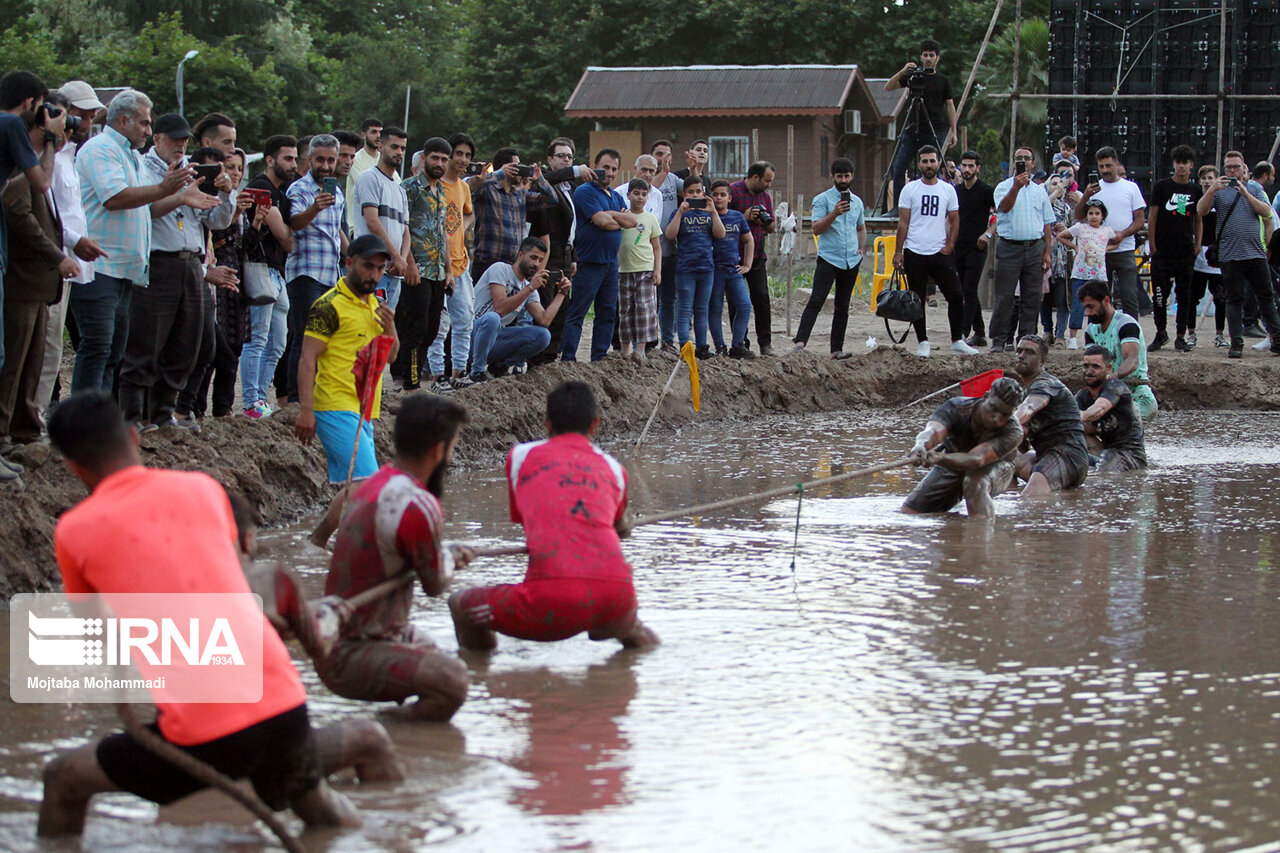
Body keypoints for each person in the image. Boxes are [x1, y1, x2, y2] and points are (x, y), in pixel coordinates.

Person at [37, 390, 402, 840]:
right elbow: (228, 583)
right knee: (317, 808)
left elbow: (97, 641)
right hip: (286, 706)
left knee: (62, 776)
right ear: (134, 437)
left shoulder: (73, 531)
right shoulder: (204, 489)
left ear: (72, 467)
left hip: (204, 734)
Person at [450, 380, 659, 651]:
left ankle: (483, 676)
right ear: (595, 425)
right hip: (617, 593)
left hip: (553, 600)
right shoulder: (615, 468)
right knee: (626, 624)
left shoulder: (520, 456)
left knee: (459, 605)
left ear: (547, 423)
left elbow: (532, 520)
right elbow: (620, 530)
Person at [315, 393, 472, 720]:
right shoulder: (416, 504)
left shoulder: (373, 484)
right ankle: (382, 735)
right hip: (353, 653)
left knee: (438, 654)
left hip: (337, 640)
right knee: (453, 681)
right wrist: (450, 558)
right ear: (438, 451)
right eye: (453, 447)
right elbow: (434, 584)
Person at [117, 113, 235, 431]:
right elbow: (143, 212)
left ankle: (164, 412)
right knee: (145, 343)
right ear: (157, 139)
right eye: (174, 138)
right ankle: (132, 416)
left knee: (187, 343)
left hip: (191, 262)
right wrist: (177, 194)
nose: (180, 145)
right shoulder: (141, 167)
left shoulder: (191, 170)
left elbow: (219, 221)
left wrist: (224, 192)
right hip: (157, 260)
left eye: (184, 140)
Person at [72, 89, 193, 394]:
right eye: (144, 123)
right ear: (123, 120)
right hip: (99, 265)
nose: (149, 131)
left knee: (113, 353)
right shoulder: (100, 149)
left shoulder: (131, 157)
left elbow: (145, 207)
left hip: (123, 270)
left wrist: (173, 192)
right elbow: (114, 198)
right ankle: (84, 426)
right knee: (98, 347)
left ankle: (101, 423)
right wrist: (165, 188)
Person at [0, 115, 81, 476]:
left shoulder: (44, 163)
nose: (65, 134)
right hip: (22, 278)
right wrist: (58, 257)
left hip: (38, 281)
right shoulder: (20, 169)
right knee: (13, 362)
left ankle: (25, 429)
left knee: (34, 361)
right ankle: (5, 435)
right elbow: (22, 220)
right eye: (59, 126)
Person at [295, 234, 398, 485]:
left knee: (351, 491)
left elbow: (391, 357)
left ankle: (323, 528)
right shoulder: (328, 306)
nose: (374, 275)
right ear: (349, 263)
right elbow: (307, 359)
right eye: (368, 266)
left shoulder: (377, 306)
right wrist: (306, 411)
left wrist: (391, 328)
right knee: (368, 486)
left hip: (364, 410)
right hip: (334, 406)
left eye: (380, 268)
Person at [39, 82, 107, 419]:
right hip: (51, 261)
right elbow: (43, 213)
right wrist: (73, 241)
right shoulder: (46, 157)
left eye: (90, 116)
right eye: (79, 116)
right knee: (44, 348)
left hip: (71, 264)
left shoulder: (70, 156)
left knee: (53, 349)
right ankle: (32, 423)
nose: (84, 123)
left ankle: (36, 422)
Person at [174, 146, 243, 425]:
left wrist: (226, 193)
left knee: (211, 349)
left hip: (203, 276)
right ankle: (183, 409)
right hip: (182, 274)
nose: (221, 174)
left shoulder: (208, 198)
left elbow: (219, 220)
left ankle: (190, 410)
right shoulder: (178, 191)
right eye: (213, 169)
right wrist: (206, 272)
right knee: (203, 348)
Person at [1195, 150, 1280, 359]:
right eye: (1228, 167)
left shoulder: (1255, 188)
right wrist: (1212, 189)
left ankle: (1277, 339)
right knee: (1234, 299)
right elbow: (1201, 210)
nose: (1232, 170)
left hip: (1256, 253)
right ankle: (1236, 343)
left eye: (1236, 166)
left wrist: (1246, 194)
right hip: (1230, 255)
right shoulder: (1219, 190)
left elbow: (1266, 212)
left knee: (1266, 297)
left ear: (1244, 168)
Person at [902, 377, 1026, 517]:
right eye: (993, 408)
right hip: (951, 460)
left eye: (1005, 414)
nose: (996, 418)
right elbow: (933, 431)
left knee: (975, 482)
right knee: (910, 512)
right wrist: (920, 446)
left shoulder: (1013, 431)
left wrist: (938, 457)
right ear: (985, 397)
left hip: (996, 467)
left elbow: (976, 459)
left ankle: (981, 533)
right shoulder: (957, 407)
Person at [893, 146, 975, 358]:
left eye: (932, 161)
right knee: (917, 299)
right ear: (919, 164)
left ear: (938, 163)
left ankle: (957, 339)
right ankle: (923, 341)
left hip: (940, 251)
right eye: (924, 161)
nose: (929, 165)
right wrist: (898, 251)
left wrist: (950, 245)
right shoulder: (909, 190)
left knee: (956, 296)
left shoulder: (948, 190)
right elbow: (903, 222)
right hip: (915, 250)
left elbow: (955, 220)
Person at [285, 134, 347, 402]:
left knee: (326, 336)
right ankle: (295, 396)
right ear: (309, 159)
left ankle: (316, 392)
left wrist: (353, 254)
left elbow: (336, 232)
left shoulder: (338, 192)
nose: (325, 165)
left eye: (330, 160)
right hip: (305, 272)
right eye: (320, 159)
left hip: (330, 274)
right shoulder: (298, 189)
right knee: (304, 335)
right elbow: (294, 223)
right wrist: (314, 207)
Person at [239, 134, 297, 418]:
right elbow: (286, 239)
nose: (293, 164)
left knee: (278, 341)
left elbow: (287, 235)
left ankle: (260, 399)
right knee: (258, 339)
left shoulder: (282, 193)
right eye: (288, 158)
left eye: (296, 158)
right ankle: (251, 402)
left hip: (277, 272)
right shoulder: (260, 187)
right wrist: (287, 230)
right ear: (270, 160)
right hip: (260, 269)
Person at [561, 149, 634, 362]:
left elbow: (632, 222)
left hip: (611, 263)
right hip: (589, 261)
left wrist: (611, 216)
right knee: (578, 312)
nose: (609, 173)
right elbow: (603, 221)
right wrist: (616, 218)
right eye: (605, 167)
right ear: (595, 166)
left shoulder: (616, 195)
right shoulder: (585, 191)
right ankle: (568, 358)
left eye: (613, 169)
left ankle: (599, 358)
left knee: (607, 313)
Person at [529, 137, 594, 367]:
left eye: (570, 157)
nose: (566, 160)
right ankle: (538, 359)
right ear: (549, 159)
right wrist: (576, 170)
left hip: (566, 255)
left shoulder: (571, 188)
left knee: (562, 306)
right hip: (547, 254)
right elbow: (547, 179)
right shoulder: (543, 182)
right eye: (561, 156)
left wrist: (573, 256)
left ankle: (551, 357)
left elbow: (573, 226)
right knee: (545, 305)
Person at [471, 238, 570, 381]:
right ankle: (476, 372)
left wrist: (562, 293)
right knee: (493, 318)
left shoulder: (529, 287)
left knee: (543, 335)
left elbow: (544, 320)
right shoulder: (500, 269)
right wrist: (529, 288)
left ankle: (499, 367)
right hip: (472, 335)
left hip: (495, 338)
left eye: (540, 260)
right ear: (521, 255)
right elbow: (500, 308)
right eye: (533, 258)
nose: (536, 264)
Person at [794, 158, 866, 358]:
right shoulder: (822, 200)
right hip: (829, 258)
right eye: (839, 176)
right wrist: (834, 213)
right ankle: (800, 342)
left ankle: (836, 349)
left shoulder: (858, 202)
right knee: (816, 300)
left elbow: (861, 227)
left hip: (850, 260)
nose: (843, 180)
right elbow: (816, 228)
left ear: (852, 176)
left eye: (847, 176)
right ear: (833, 177)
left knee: (842, 306)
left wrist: (861, 248)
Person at [397, 136, 452, 392]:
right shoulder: (409, 187)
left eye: (444, 159)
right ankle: (410, 384)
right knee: (415, 329)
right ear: (424, 158)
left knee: (432, 330)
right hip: (416, 269)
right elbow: (402, 227)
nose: (439, 163)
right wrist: (408, 263)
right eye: (435, 158)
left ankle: (414, 377)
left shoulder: (441, 191)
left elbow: (443, 233)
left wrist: (449, 271)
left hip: (438, 271)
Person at [988, 147, 1055, 352]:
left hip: (1035, 247)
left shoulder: (1040, 191)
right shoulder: (1003, 187)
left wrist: (1047, 252)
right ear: (1013, 162)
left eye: (1027, 159)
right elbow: (1004, 208)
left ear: (1033, 163)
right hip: (1010, 248)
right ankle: (999, 340)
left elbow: (1046, 223)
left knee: (1032, 298)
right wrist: (1016, 187)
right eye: (1019, 158)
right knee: (1004, 297)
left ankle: (1027, 341)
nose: (1023, 162)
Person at [1010, 333, 1089, 496]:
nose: (1021, 356)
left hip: (1068, 457)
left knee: (1030, 499)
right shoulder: (1027, 392)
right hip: (1045, 456)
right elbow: (1020, 443)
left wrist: (1005, 424)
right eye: (1019, 351)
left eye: (1029, 352)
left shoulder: (1045, 383)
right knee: (1004, 457)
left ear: (1043, 361)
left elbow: (1030, 407)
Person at [427, 132, 477, 389]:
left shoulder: (463, 187)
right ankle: (437, 374)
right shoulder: (433, 186)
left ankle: (459, 372)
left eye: (467, 155)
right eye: (459, 153)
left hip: (460, 261)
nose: (463, 160)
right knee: (439, 322)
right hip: (435, 264)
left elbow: (468, 214)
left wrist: (460, 230)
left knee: (465, 318)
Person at [884, 38, 958, 208]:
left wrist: (953, 131)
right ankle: (897, 207)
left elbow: (949, 105)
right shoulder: (913, 76)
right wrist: (903, 71)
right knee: (899, 167)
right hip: (912, 129)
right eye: (925, 55)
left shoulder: (943, 80)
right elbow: (888, 87)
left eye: (932, 55)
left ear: (937, 58)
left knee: (935, 167)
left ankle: (938, 204)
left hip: (934, 130)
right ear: (921, 57)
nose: (928, 59)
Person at [1076, 146, 1146, 316]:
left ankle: (1132, 336)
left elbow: (1140, 219)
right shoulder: (1094, 189)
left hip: (1124, 249)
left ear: (1116, 164)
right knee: (1098, 297)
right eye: (1101, 167)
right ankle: (1097, 335)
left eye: (1108, 166)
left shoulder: (1131, 188)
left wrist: (1122, 234)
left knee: (1130, 296)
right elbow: (1079, 217)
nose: (1105, 170)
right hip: (1098, 252)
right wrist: (1085, 196)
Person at [1147, 145, 1203, 351]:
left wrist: (1197, 244)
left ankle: (1181, 335)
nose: (1181, 166)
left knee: (1184, 294)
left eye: (1185, 163)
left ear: (1191, 165)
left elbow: (1198, 219)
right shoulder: (1162, 187)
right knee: (1160, 295)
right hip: (1162, 251)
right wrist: (1152, 246)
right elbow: (1152, 216)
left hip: (1185, 252)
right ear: (1173, 164)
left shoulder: (1196, 190)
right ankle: (1160, 332)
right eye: (1178, 162)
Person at [467, 147, 553, 282]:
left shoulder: (520, 195)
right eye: (516, 167)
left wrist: (539, 179)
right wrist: (499, 174)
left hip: (512, 266)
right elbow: (468, 186)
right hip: (487, 265)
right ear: (505, 167)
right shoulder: (486, 189)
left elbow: (552, 200)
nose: (519, 171)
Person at [1078, 279, 1159, 420]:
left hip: (1137, 395)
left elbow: (1132, 362)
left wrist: (1111, 378)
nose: (1087, 313)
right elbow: (1090, 362)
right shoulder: (1091, 330)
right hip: (1107, 393)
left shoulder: (1126, 324)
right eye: (1085, 308)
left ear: (1106, 300)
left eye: (1091, 307)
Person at [352, 127, 411, 312]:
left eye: (402, 148)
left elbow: (405, 230)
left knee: (384, 330)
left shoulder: (400, 189)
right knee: (368, 325)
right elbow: (372, 222)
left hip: (395, 272)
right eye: (394, 147)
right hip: (372, 268)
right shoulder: (369, 178)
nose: (399, 152)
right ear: (380, 145)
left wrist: (402, 259)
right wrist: (395, 257)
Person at [665, 176, 725, 355]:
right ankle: (685, 345)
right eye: (690, 192)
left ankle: (701, 346)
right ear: (684, 194)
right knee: (684, 308)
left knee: (701, 309)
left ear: (704, 193)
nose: (695, 195)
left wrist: (713, 212)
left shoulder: (709, 213)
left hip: (706, 268)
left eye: (698, 191)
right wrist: (680, 213)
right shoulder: (680, 213)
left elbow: (720, 234)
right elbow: (669, 234)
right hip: (685, 269)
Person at [728, 161, 778, 355]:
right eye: (767, 180)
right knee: (737, 302)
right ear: (755, 177)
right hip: (734, 256)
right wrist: (744, 217)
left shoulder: (765, 197)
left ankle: (766, 344)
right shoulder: (732, 192)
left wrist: (763, 221)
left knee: (762, 299)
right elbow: (722, 219)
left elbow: (772, 227)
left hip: (757, 256)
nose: (769, 185)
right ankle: (741, 343)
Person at [1078, 344, 1148, 473]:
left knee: (1103, 475)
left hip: (1131, 454)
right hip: (1104, 452)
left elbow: (1099, 409)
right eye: (1086, 366)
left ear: (1108, 368)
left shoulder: (1116, 387)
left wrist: (1072, 416)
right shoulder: (1083, 396)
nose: (1089, 371)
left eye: (1095, 366)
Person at [708, 179, 755, 359]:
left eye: (723, 195)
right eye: (715, 194)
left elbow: (748, 239)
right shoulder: (707, 216)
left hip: (733, 270)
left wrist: (747, 264)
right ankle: (720, 346)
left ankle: (737, 345)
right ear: (710, 197)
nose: (719, 198)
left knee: (744, 305)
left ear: (729, 198)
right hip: (714, 271)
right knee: (715, 309)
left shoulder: (737, 217)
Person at [1058, 200, 1115, 349]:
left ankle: (1092, 337)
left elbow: (1117, 241)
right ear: (1086, 215)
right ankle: (1072, 338)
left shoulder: (1107, 230)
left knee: (1096, 306)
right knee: (1078, 305)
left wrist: (1105, 249)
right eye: (1091, 213)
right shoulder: (1080, 228)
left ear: (1102, 216)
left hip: (1098, 275)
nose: (1094, 216)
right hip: (1080, 274)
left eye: (1097, 213)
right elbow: (1062, 236)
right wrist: (1075, 247)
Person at [953, 150, 995, 347]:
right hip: (958, 246)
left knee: (968, 290)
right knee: (965, 289)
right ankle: (979, 333)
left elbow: (1000, 215)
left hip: (977, 248)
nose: (967, 169)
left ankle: (962, 331)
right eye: (964, 165)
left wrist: (988, 234)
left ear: (978, 168)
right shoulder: (956, 191)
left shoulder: (987, 191)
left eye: (971, 166)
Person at [616, 178, 662, 360]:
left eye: (644, 194)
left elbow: (657, 246)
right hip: (624, 270)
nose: (640, 197)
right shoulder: (623, 217)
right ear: (628, 195)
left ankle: (641, 349)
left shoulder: (650, 219)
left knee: (644, 309)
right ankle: (625, 349)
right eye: (636, 193)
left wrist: (657, 270)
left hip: (645, 271)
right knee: (625, 310)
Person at [650, 139, 684, 356]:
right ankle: (646, 341)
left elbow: (696, 188)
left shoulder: (674, 180)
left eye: (667, 154)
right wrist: (661, 172)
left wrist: (697, 168)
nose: (664, 158)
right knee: (646, 300)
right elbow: (651, 190)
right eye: (659, 154)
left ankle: (667, 341)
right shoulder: (645, 181)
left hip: (669, 251)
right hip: (646, 252)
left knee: (668, 298)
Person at [1193, 164, 1227, 348]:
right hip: (1198, 253)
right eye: (1204, 178)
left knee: (1221, 297)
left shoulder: (1221, 200)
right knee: (1194, 295)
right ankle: (1190, 334)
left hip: (1217, 255)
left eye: (1210, 178)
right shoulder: (1196, 199)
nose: (1207, 181)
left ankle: (1220, 334)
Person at [345, 118, 381, 230]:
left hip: (378, 227)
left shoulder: (384, 159)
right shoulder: (355, 159)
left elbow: (397, 186)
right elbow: (367, 187)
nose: (378, 136)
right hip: (355, 227)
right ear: (364, 135)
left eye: (380, 132)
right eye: (374, 132)